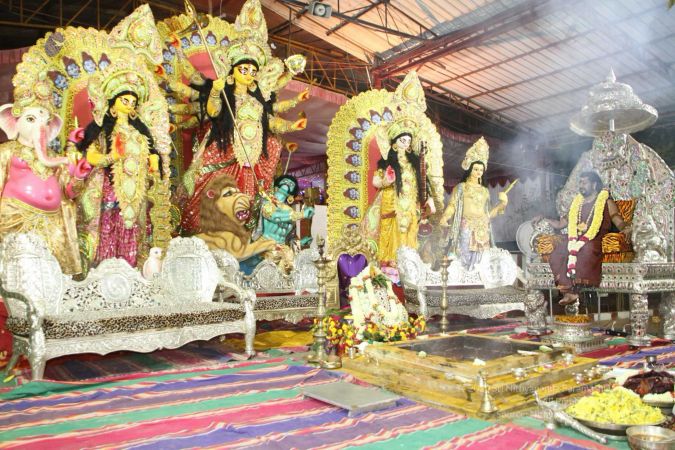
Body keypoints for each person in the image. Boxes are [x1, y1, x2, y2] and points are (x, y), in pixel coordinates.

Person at [76, 71, 163, 268]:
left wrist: (153, 162)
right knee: (109, 220)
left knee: (132, 223)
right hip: (110, 184)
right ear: (113, 103)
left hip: (136, 186)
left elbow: (152, 152)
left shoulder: (140, 130)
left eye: (133, 102)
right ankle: (105, 266)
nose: (130, 105)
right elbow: (90, 156)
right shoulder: (102, 128)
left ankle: (130, 266)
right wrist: (110, 157)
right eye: (125, 100)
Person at [536, 171, 631, 305]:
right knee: (559, 248)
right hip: (575, 238)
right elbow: (561, 224)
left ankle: (575, 291)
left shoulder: (605, 201)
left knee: (586, 248)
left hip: (594, 238)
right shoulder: (577, 203)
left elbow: (617, 219)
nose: (581, 185)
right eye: (580, 182)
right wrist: (544, 219)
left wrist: (626, 228)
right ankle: (567, 290)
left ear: (594, 185)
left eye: (584, 182)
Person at [368, 120, 435, 266]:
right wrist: (386, 181)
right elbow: (375, 181)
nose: (406, 144)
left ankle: (409, 264)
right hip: (392, 202)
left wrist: (429, 199)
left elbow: (423, 184)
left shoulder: (415, 164)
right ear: (394, 144)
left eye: (408, 141)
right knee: (393, 231)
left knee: (410, 231)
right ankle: (391, 265)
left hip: (410, 204)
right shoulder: (386, 162)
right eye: (402, 140)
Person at [439, 138, 508, 271]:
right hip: (466, 225)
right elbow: (452, 205)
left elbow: (489, 214)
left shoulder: (485, 191)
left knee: (482, 260)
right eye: (476, 169)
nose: (478, 172)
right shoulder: (461, 187)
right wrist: (445, 217)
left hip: (483, 228)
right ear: (470, 169)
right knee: (464, 256)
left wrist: (502, 204)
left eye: (481, 170)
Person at [259, 175, 314, 245]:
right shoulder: (267, 201)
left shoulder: (290, 210)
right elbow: (273, 216)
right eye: (285, 181)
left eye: (291, 184)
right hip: (265, 244)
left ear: (292, 193)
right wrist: (301, 214)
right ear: (277, 185)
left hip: (282, 247)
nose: (287, 183)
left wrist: (300, 243)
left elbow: (289, 239)